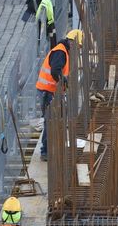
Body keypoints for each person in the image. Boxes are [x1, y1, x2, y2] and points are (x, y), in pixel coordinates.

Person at [36, 28, 84, 161]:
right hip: (47, 91)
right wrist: (64, 81)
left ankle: (52, 148)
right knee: (50, 121)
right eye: (78, 47)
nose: (78, 50)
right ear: (72, 42)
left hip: (51, 91)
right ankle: (46, 151)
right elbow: (55, 71)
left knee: (56, 119)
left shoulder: (64, 51)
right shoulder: (60, 52)